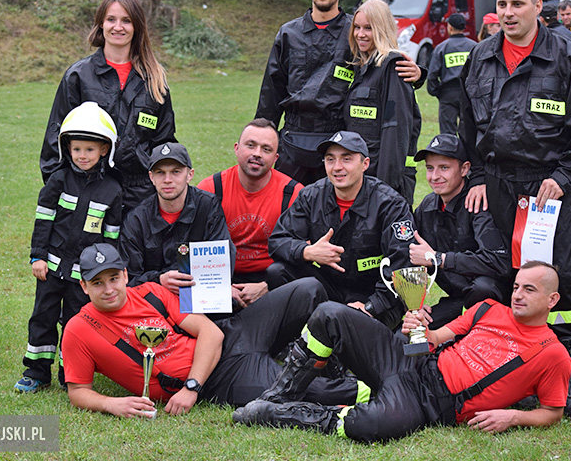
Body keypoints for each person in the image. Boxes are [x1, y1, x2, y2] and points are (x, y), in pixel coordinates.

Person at [459, 0, 571, 419]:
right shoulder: (481, 56)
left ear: (538, 8)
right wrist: (478, 174)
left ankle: (569, 372)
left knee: (561, 278)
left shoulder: (566, 57)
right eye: (502, 5)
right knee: (505, 273)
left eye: (517, 5)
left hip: (548, 186)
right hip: (499, 183)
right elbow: (467, 124)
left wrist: (564, 176)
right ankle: (513, 366)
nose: (507, 13)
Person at [233, 261, 571, 441]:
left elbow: (553, 411)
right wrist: (417, 323)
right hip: (414, 361)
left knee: (370, 426)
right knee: (330, 314)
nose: (518, 295)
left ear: (552, 300)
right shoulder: (488, 309)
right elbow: (435, 338)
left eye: (529, 289)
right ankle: (279, 396)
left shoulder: (553, 354)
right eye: (516, 287)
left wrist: (513, 417)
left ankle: (275, 414)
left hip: (431, 403)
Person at [62, 243, 361, 416]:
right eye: (97, 282)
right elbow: (78, 390)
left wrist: (190, 388)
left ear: (125, 275)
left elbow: (211, 333)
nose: (109, 289)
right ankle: (379, 385)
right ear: (84, 286)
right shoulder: (79, 329)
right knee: (315, 391)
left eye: (113, 278)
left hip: (230, 338)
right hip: (221, 378)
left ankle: (340, 362)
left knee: (308, 289)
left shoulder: (150, 291)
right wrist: (112, 404)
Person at [255, 0, 421, 186]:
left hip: (338, 144)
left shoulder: (356, 31)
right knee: (291, 214)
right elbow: (271, 94)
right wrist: (261, 140)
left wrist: (418, 73)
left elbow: (382, 64)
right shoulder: (288, 34)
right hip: (292, 144)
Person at [15, 102, 122, 393]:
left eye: (89, 149)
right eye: (76, 149)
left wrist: (101, 274)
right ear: (67, 149)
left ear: (104, 150)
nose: (82, 155)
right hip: (50, 268)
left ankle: (70, 372)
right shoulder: (58, 181)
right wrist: (38, 256)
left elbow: (110, 238)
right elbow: (43, 221)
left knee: (76, 323)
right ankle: (36, 371)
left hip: (83, 276)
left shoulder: (113, 190)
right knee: (42, 317)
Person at [40, 0, 176, 213]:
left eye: (126, 21)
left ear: (137, 27)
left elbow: (163, 141)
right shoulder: (78, 76)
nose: (118, 27)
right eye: (111, 19)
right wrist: (62, 191)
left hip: (141, 197)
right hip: (90, 192)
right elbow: (55, 140)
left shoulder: (155, 80)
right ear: (100, 24)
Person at [268, 131, 415, 331]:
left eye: (347, 159)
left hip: (373, 293)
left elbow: (402, 265)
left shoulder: (391, 205)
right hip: (329, 287)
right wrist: (307, 252)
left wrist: (371, 306)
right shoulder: (311, 196)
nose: (337, 167)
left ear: (365, 164)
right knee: (278, 272)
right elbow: (278, 240)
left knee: (351, 342)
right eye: (330, 159)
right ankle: (294, 336)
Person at [197, 119, 302, 307]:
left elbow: (303, 255)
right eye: (250, 145)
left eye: (266, 149)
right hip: (219, 276)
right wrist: (219, 286)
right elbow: (192, 248)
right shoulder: (210, 189)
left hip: (271, 278)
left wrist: (267, 286)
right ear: (237, 148)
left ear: (276, 158)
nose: (256, 154)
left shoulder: (294, 193)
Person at [409, 134, 509, 329]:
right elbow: (410, 254)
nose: (435, 176)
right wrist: (415, 305)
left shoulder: (479, 203)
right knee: (406, 337)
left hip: (493, 302)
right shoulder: (427, 207)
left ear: (465, 169)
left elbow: (499, 263)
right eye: (430, 168)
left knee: (483, 287)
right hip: (458, 301)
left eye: (444, 168)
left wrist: (439, 258)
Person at [118, 143, 236, 294]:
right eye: (160, 172)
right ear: (151, 177)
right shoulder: (136, 219)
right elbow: (129, 278)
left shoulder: (208, 206)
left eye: (176, 172)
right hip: (156, 298)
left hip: (200, 293)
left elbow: (223, 258)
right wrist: (158, 280)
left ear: (190, 175)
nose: (167, 179)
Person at [342, 0, 422, 202]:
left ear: (382, 28)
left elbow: (395, 133)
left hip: (384, 182)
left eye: (368, 28)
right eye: (357, 27)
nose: (360, 34)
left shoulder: (393, 68)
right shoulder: (362, 67)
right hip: (361, 177)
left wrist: (384, 189)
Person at [427, 13, 477, 135]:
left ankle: (449, 154)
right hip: (468, 93)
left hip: (447, 93)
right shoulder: (474, 47)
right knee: (469, 132)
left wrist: (436, 91)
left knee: (447, 134)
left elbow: (432, 74)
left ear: (449, 27)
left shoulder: (441, 48)